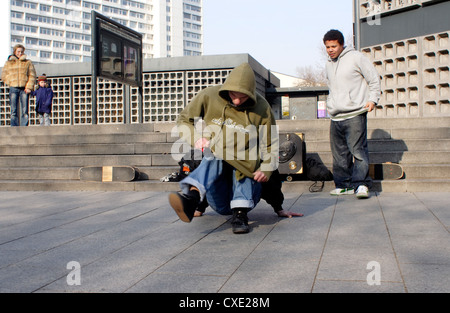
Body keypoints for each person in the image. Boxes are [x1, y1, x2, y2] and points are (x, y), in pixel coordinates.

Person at [169, 63, 302, 234]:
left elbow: (271, 145)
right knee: (213, 157)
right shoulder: (209, 95)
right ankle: (192, 198)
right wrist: (196, 138)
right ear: (226, 89)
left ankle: (240, 215)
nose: (237, 101)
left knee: (251, 162)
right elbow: (183, 120)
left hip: (248, 193)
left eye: (243, 97)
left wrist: (278, 205)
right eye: (233, 95)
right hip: (220, 199)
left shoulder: (262, 108)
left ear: (251, 94)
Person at [323, 29, 381, 199]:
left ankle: (361, 184)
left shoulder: (356, 57)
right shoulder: (328, 63)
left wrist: (373, 99)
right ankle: (344, 185)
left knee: (358, 151)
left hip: (355, 112)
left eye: (333, 46)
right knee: (339, 153)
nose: (330, 50)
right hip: (336, 115)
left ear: (341, 45)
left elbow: (373, 79)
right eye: (327, 47)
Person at [1, 44, 36, 126]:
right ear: (14, 52)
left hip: (24, 88)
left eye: (21, 51)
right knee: (13, 110)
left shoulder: (28, 62)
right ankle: (14, 127)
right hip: (14, 88)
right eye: (18, 51)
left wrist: (29, 87)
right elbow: (4, 75)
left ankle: (24, 127)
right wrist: (11, 82)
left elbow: (32, 75)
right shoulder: (9, 62)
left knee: (25, 110)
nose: (20, 53)